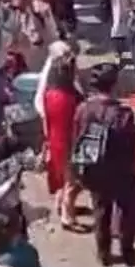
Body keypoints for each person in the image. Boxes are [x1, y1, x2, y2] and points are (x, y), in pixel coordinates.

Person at [72, 61, 135, 266]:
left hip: (94, 171)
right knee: (126, 212)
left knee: (101, 212)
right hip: (121, 172)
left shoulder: (83, 110)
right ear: (114, 85)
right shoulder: (123, 114)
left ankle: (104, 254)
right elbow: (132, 148)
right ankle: (127, 253)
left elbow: (76, 139)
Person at [35, 40, 81, 229]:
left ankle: (59, 202)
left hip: (54, 140)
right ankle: (67, 214)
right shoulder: (70, 98)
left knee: (61, 175)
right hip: (70, 142)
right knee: (73, 181)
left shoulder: (50, 93)